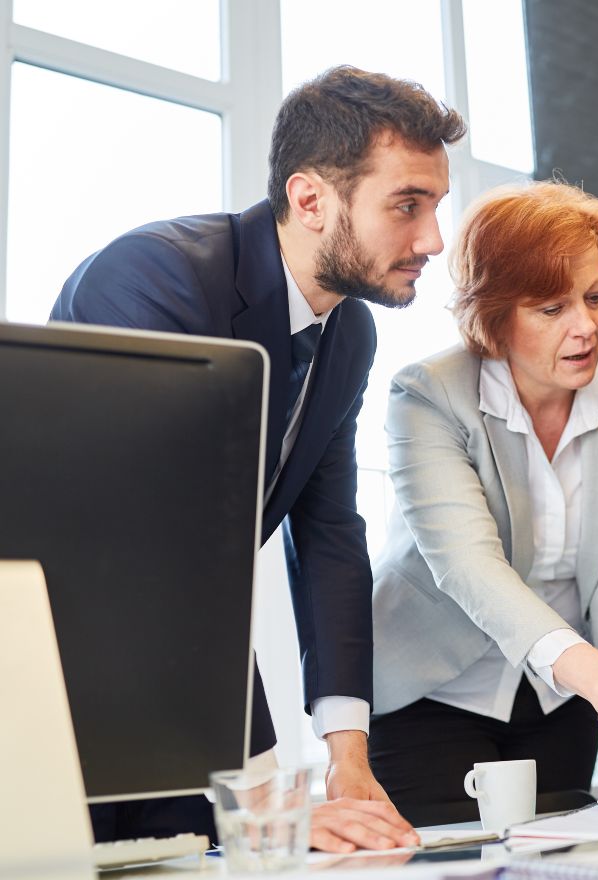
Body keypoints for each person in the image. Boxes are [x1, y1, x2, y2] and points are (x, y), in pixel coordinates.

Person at [51, 65, 464, 851]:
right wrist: (272, 794)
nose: (432, 240)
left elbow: (331, 533)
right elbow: (167, 550)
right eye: (406, 205)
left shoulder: (350, 334)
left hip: (172, 693)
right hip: (49, 687)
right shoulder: (155, 282)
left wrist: (348, 757)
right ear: (310, 200)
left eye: (435, 206)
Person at [368, 180, 598, 825]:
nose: (586, 327)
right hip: (430, 688)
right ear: (494, 314)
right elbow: (468, 566)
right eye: (550, 309)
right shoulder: (428, 393)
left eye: (594, 296)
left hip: (563, 698)